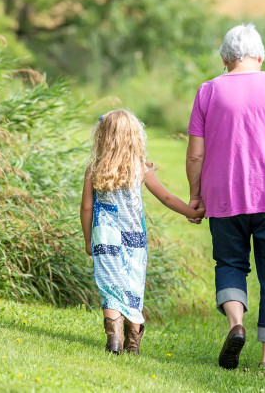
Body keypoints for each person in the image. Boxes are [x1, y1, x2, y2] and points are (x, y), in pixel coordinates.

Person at [186, 24, 265, 370]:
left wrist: (195, 195)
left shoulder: (208, 91)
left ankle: (235, 325)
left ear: (225, 59)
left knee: (230, 265)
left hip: (225, 196)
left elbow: (195, 154)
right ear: (260, 56)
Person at [80, 109, 205, 355]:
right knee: (133, 286)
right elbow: (167, 198)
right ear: (136, 137)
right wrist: (191, 212)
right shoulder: (141, 169)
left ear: (102, 137)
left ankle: (113, 339)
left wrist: (88, 240)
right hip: (134, 237)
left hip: (105, 234)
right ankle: (133, 343)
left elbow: (86, 207)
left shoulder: (94, 169)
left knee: (110, 286)